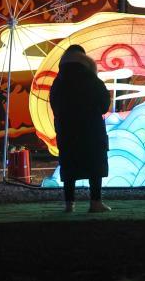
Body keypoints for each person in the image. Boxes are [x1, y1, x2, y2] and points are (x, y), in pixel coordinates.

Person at [49, 45, 111, 213]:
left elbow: (54, 105)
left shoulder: (58, 82)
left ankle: (69, 204)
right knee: (94, 163)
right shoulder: (93, 80)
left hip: (67, 130)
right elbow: (105, 105)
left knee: (69, 164)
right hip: (91, 129)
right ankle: (95, 202)